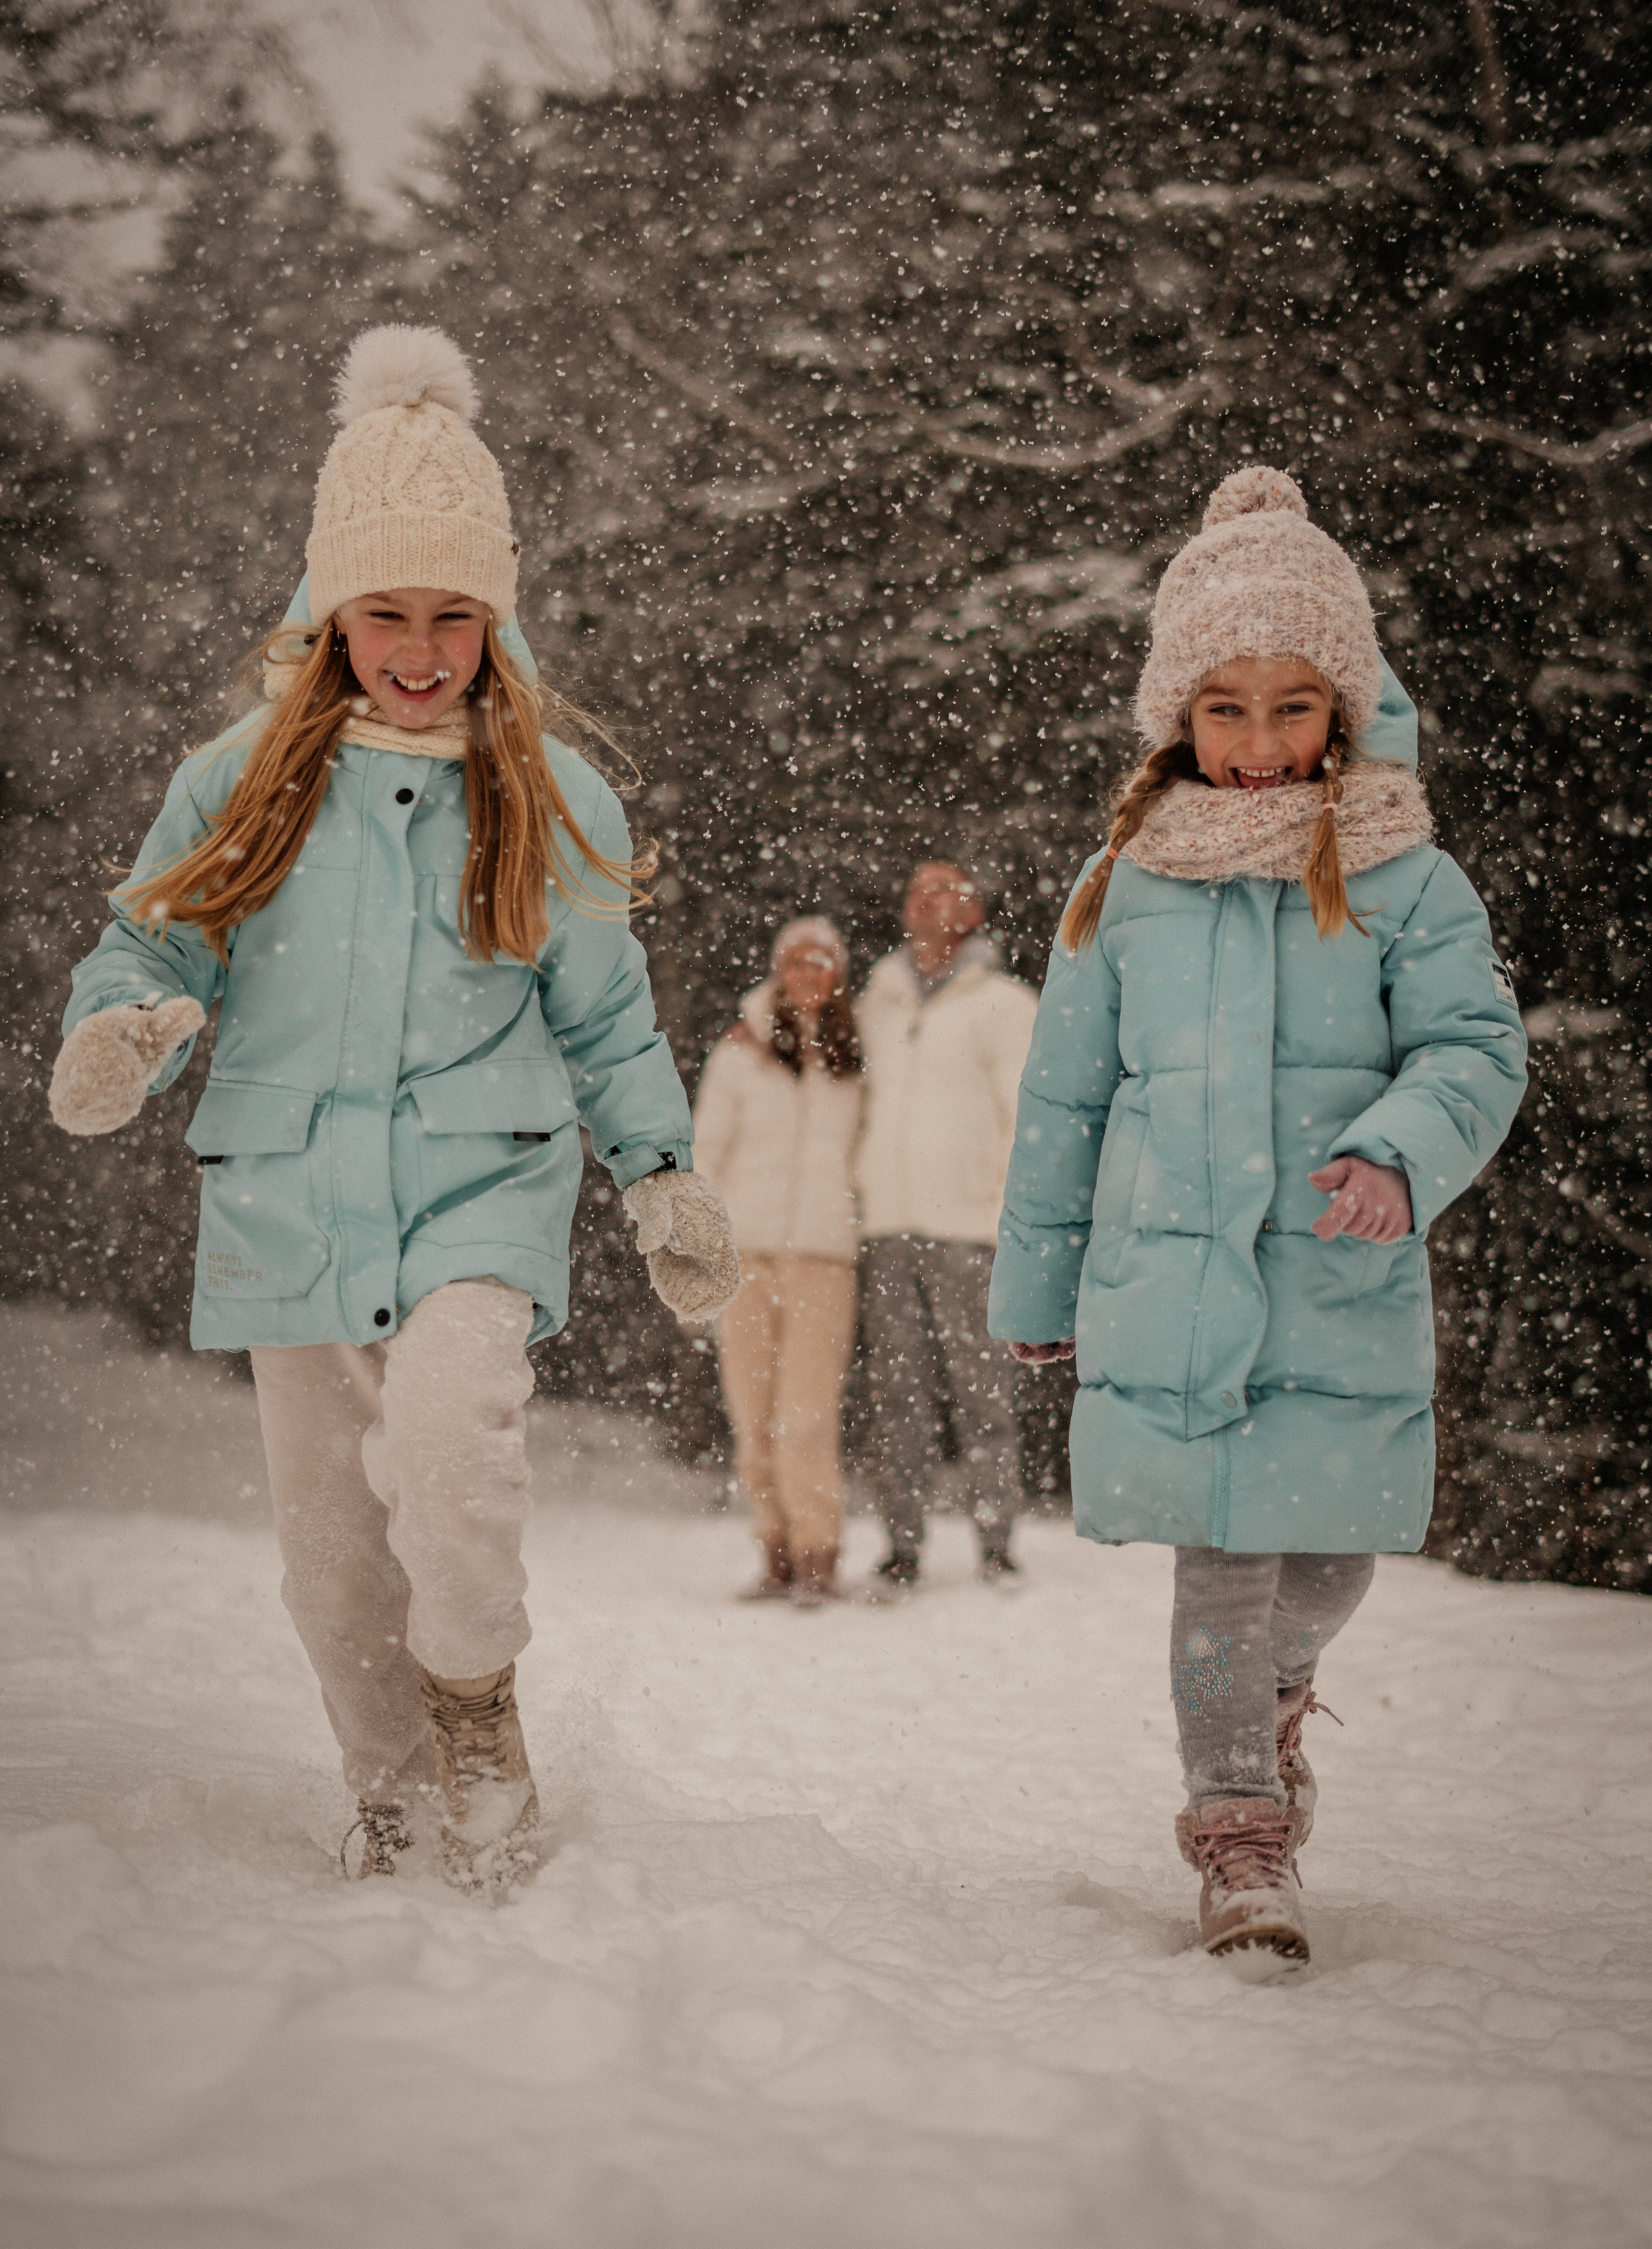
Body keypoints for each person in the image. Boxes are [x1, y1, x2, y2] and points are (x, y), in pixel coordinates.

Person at [47, 326, 740, 1899]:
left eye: (451, 614)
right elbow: (153, 943)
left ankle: (477, 1707)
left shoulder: (548, 794)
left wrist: (656, 1172)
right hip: (288, 1189)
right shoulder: (239, 781)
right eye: (386, 613)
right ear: (329, 611)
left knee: (452, 1457)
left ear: (495, 618)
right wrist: (119, 1031)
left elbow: (602, 1009)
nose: (420, 648)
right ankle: (385, 1779)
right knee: (329, 1556)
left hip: (479, 1185)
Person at [989, 467, 1527, 1966]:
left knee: (1329, 1558)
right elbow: (1064, 1095)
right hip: (1170, 1294)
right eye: (1220, 708)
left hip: (1332, 1283)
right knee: (1218, 1556)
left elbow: (1476, 1050)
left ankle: (1282, 1691)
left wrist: (1400, 1153)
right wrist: (1035, 1281)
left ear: (1340, 710)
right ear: (1176, 715)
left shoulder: (1402, 874)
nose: (1253, 742)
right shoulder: (1123, 881)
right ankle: (1235, 1826)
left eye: (1289, 706)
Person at [856, 860, 1038, 1588]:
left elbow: (1023, 1122)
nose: (926, 899)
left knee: (983, 1392)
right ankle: (903, 1547)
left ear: (974, 911)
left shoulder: (1004, 1004)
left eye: (944, 889)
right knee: (895, 1397)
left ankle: (997, 1542)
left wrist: (1005, 1216)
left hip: (970, 1229)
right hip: (887, 1225)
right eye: (916, 889)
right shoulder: (877, 1000)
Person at [692, 916, 862, 1606]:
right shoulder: (739, 1054)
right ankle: (775, 1551)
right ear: (778, 970)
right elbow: (708, 1150)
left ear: (838, 974)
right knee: (752, 1413)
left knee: (808, 1416)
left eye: (821, 962)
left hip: (823, 1256)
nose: (808, 974)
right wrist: (701, 1250)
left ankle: (819, 1552)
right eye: (797, 962)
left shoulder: (857, 1058)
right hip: (745, 1254)